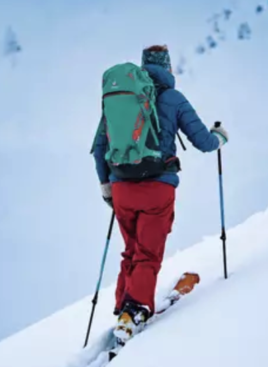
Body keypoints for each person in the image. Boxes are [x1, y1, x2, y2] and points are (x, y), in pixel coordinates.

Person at [91, 44, 228, 340]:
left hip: (121, 187)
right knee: (148, 253)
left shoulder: (123, 98)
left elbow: (100, 147)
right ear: (167, 68)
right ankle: (135, 309)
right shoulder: (173, 98)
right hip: (157, 188)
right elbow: (203, 141)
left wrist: (107, 188)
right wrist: (220, 138)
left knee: (131, 250)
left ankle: (123, 306)